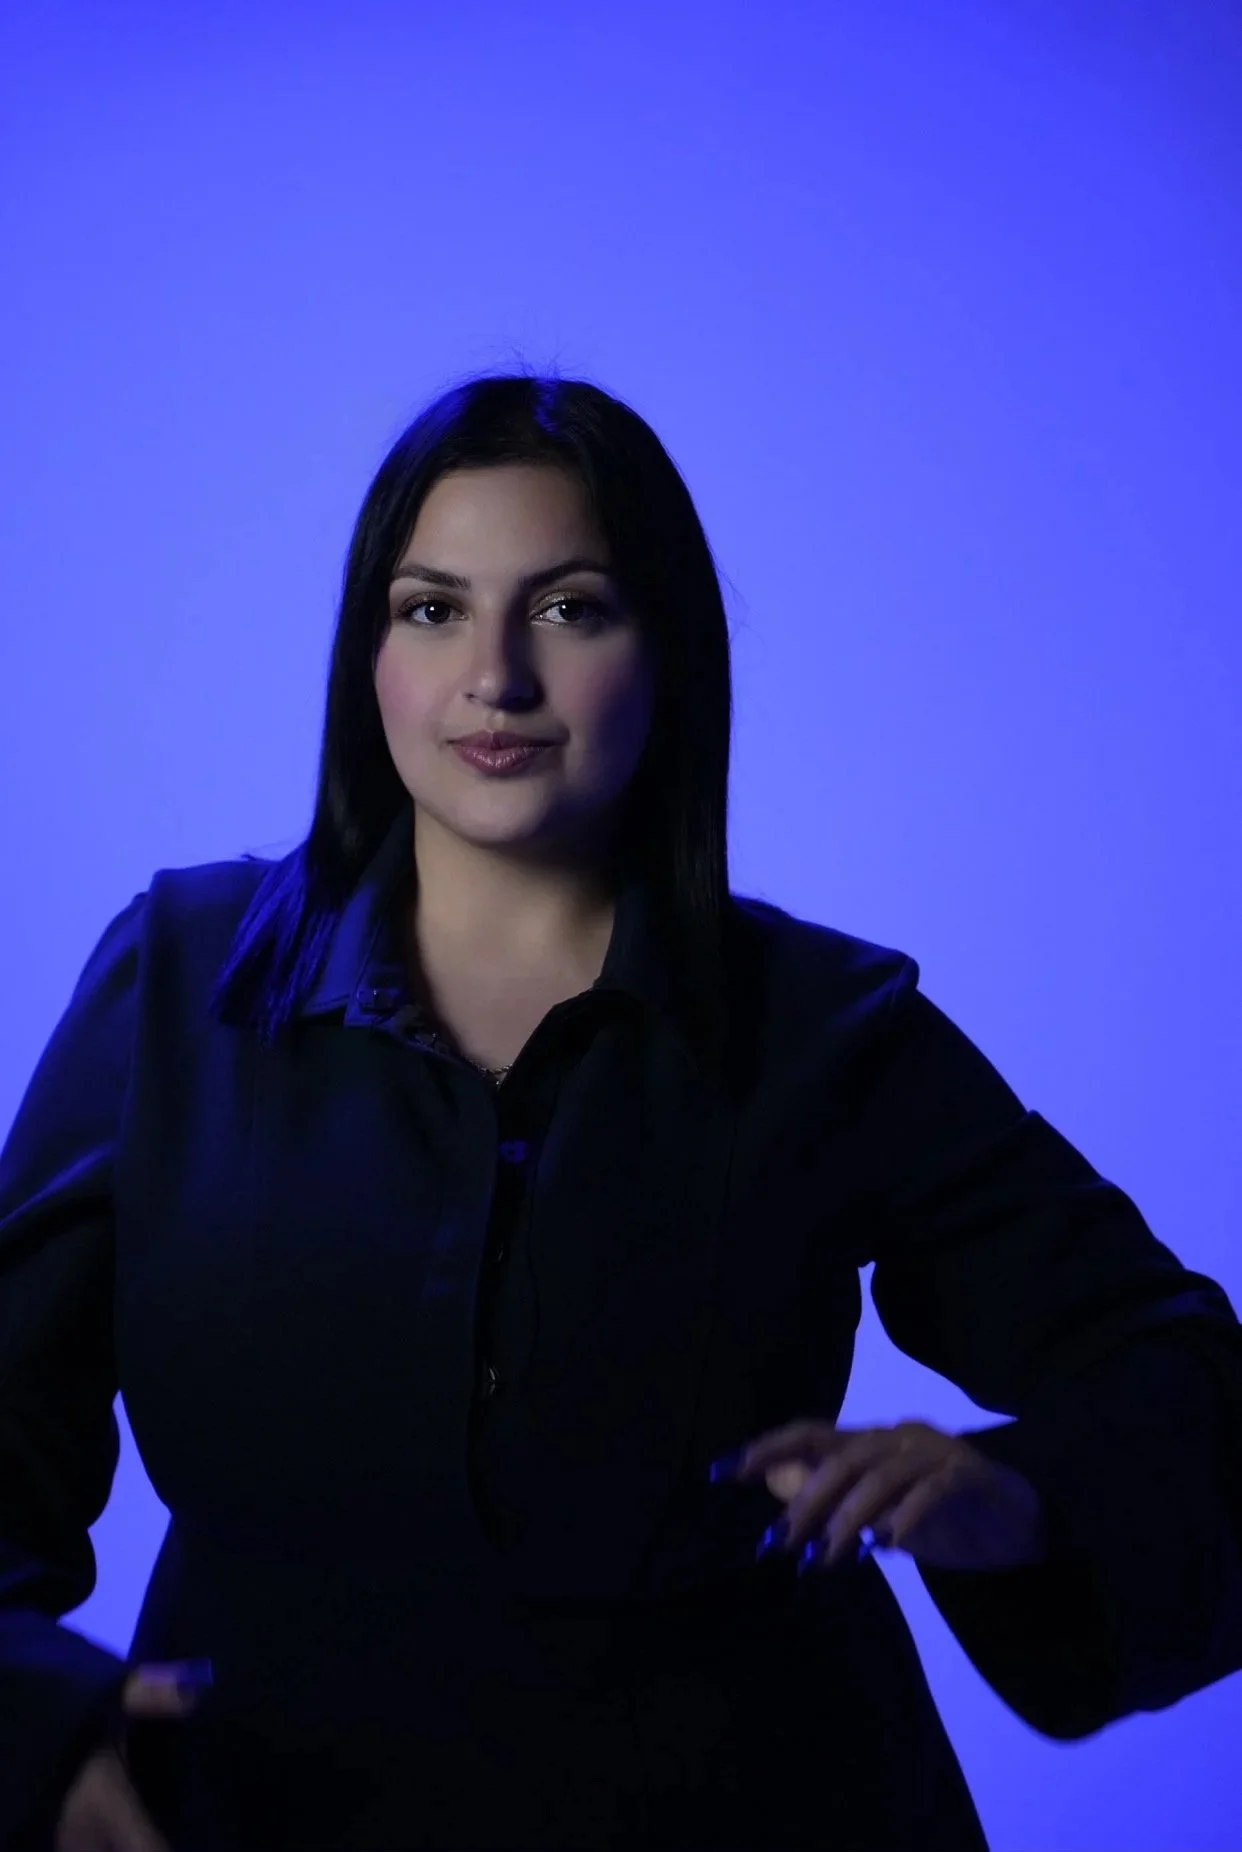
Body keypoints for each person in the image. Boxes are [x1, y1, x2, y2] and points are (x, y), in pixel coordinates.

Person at [1, 371, 1241, 1852]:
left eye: (571, 608)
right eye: (431, 609)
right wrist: (43, 1741)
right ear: (366, 654)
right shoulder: (172, 987)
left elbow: (1185, 1385)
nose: (496, 680)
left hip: (759, 1805)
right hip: (250, 1811)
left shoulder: (823, 1029)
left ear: (669, 651)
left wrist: (1020, 1498)